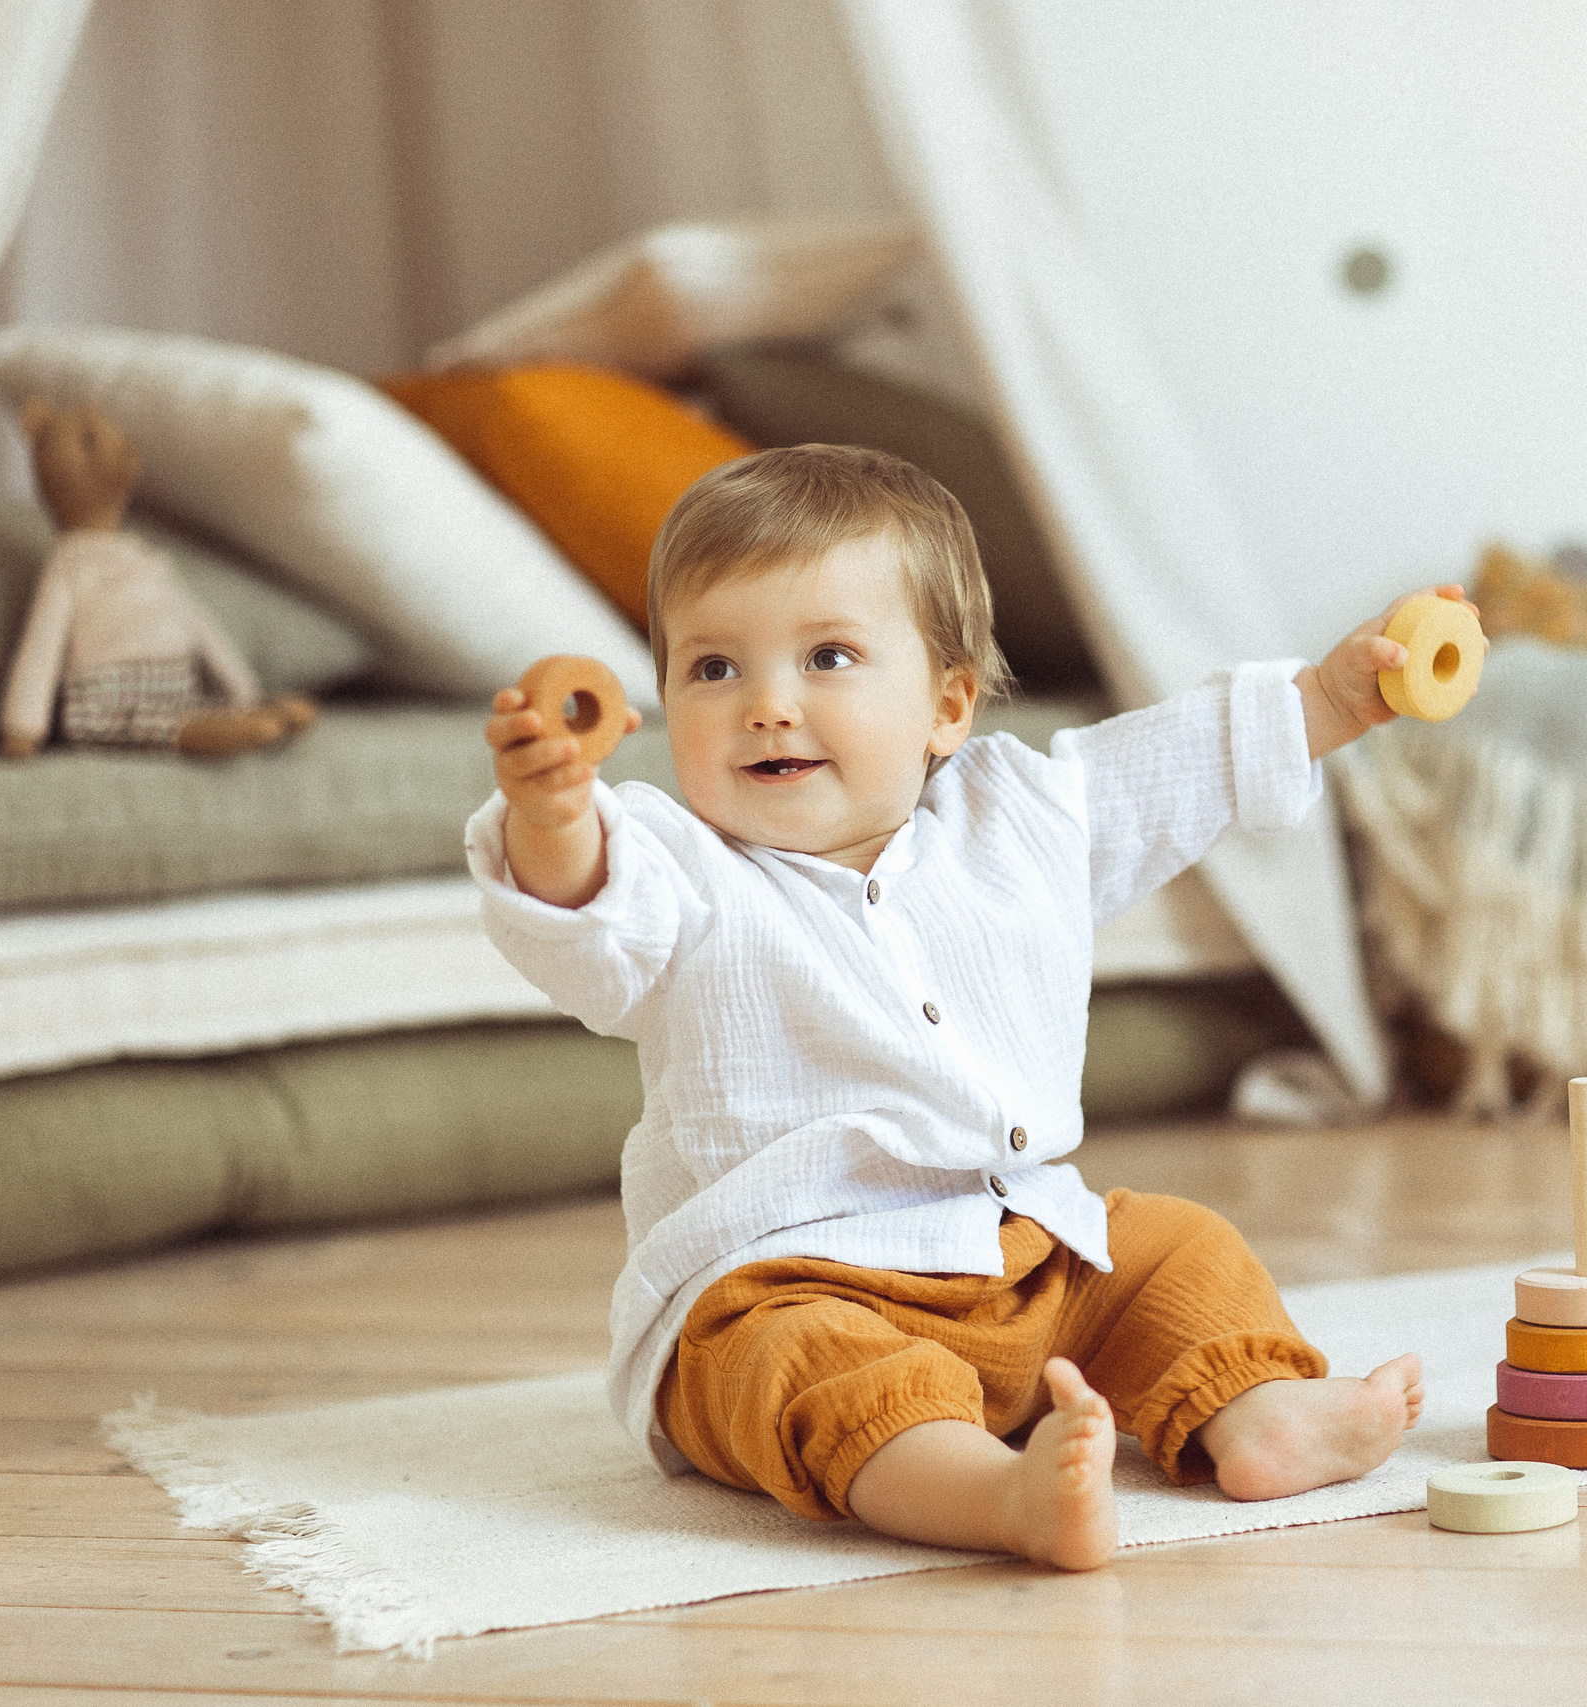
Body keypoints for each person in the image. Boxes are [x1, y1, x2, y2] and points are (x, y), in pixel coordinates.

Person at [469, 444, 1460, 1570]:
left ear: (946, 705)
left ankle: (1253, 1414)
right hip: (784, 1280)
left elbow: (1181, 764)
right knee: (805, 1368)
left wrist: (1331, 697)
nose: (766, 707)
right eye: (711, 670)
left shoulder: (1021, 817)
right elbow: (584, 911)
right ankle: (992, 1495)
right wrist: (552, 816)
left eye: (827, 656)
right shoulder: (675, 864)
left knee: (1175, 1248)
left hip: (1024, 1254)